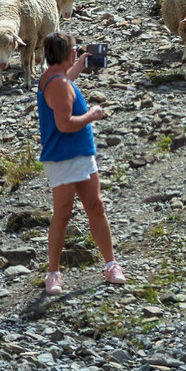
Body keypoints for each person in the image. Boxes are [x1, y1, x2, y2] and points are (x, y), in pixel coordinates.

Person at [37, 32, 123, 295]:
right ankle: (54, 273)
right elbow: (65, 123)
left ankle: (111, 264)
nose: (76, 50)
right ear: (66, 52)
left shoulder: (53, 76)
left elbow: (63, 87)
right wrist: (91, 115)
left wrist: (77, 69)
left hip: (74, 155)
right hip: (67, 156)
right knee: (67, 213)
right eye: (74, 49)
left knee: (93, 206)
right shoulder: (59, 83)